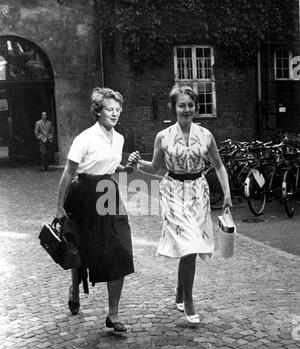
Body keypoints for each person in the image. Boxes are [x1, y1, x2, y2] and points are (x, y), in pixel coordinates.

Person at [129, 85, 232, 324]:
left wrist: (226, 193)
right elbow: (155, 167)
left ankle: (179, 290)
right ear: (173, 107)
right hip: (173, 192)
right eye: (182, 105)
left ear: (196, 107)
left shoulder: (206, 135)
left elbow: (218, 165)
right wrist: (136, 163)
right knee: (189, 246)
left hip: (198, 191)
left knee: (190, 246)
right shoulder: (163, 136)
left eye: (190, 105)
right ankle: (189, 301)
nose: (187, 109)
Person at [55, 87, 137, 333]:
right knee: (79, 247)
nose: (115, 113)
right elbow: (69, 172)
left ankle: (113, 315)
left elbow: (113, 168)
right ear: (98, 111)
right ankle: (74, 286)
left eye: (118, 109)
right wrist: (59, 206)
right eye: (110, 109)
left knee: (120, 248)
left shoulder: (119, 138)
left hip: (108, 191)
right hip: (83, 194)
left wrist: (128, 169)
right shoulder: (85, 138)